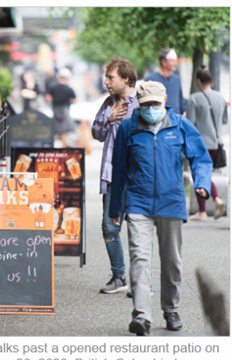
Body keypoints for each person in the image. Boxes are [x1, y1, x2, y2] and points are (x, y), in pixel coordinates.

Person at [110, 81, 212, 336]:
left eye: (156, 104)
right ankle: (142, 316)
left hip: (171, 202)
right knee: (140, 259)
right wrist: (115, 208)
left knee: (171, 261)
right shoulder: (128, 128)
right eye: (146, 105)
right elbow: (119, 169)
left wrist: (201, 183)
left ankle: (171, 309)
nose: (151, 109)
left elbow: (200, 156)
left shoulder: (180, 125)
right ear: (139, 105)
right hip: (138, 202)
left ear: (165, 99)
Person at [91, 57, 138, 294]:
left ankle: (141, 281)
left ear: (125, 78)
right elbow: (96, 133)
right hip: (111, 175)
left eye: (111, 77)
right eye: (106, 77)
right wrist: (108, 117)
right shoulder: (108, 103)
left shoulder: (140, 103)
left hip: (137, 177)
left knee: (139, 228)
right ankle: (119, 276)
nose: (106, 82)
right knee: (109, 228)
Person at [186, 65, 228, 221]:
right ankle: (213, 201)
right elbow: (224, 120)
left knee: (200, 174)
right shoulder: (221, 98)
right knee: (205, 174)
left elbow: (190, 124)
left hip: (200, 144)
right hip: (216, 143)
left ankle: (205, 209)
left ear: (198, 81)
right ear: (211, 80)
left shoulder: (194, 99)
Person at [145, 48, 186, 115]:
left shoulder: (177, 79)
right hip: (158, 120)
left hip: (175, 120)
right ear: (163, 62)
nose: (176, 63)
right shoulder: (151, 80)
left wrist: (184, 112)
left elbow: (181, 100)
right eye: (172, 61)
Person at [45, 67, 77, 148]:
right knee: (64, 133)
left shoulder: (53, 87)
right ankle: (63, 149)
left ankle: (52, 149)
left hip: (55, 110)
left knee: (53, 132)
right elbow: (74, 101)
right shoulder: (69, 89)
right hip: (65, 110)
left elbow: (48, 98)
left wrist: (53, 101)